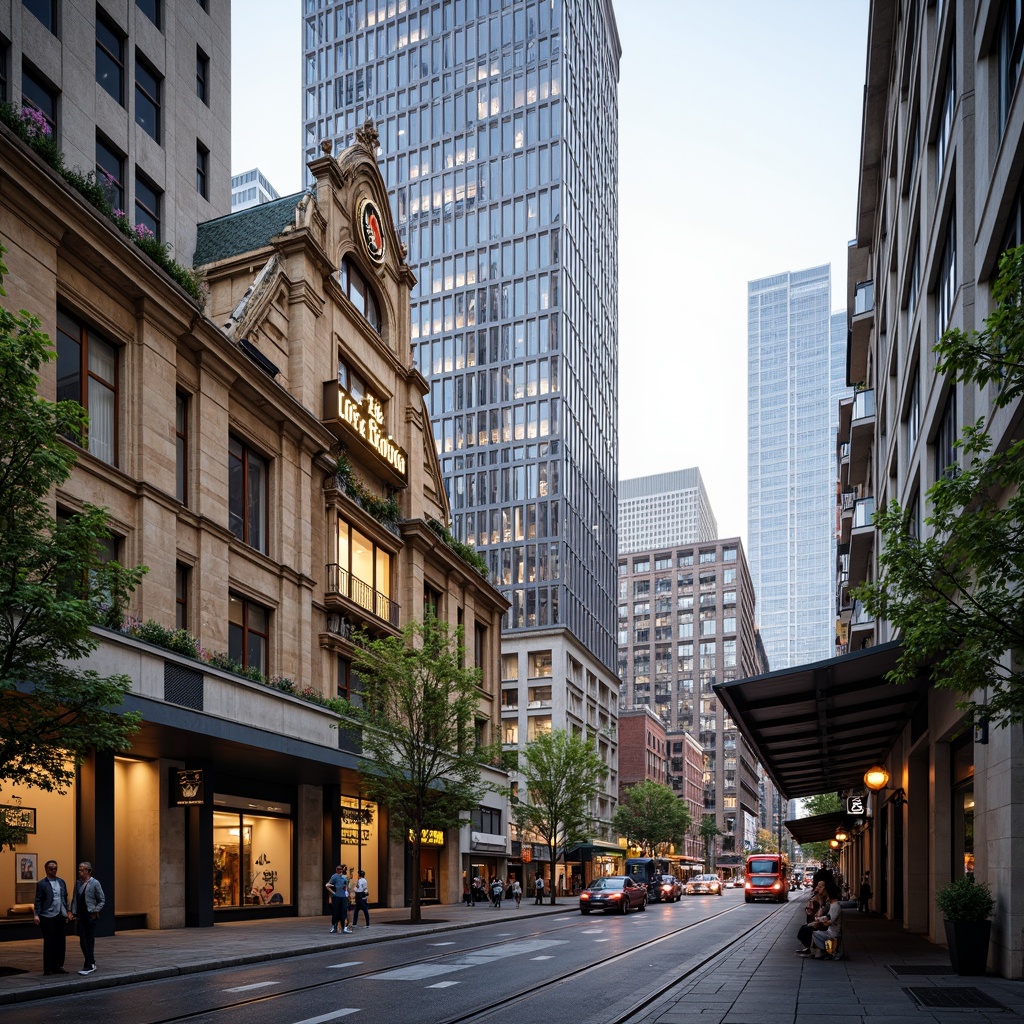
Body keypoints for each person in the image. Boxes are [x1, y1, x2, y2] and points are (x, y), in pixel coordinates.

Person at [33, 859, 71, 975]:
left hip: (60, 914)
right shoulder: (42, 884)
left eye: (55, 868)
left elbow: (65, 898)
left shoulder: (61, 882)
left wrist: (68, 911)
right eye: (51, 868)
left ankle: (58, 965)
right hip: (47, 916)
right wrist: (36, 915)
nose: (53, 870)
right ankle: (48, 967)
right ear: (46, 869)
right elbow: (38, 900)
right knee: (49, 941)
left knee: (60, 941)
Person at [73, 861, 105, 975]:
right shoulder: (78, 884)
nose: (79, 871)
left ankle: (89, 965)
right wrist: (73, 912)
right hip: (81, 916)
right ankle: (91, 962)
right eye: (79, 869)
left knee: (89, 940)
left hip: (90, 915)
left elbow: (102, 899)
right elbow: (75, 899)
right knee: (82, 941)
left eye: (82, 870)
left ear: (88, 871)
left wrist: (96, 910)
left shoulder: (95, 883)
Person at [809, 880, 843, 959]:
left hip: (833, 933)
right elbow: (828, 916)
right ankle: (819, 952)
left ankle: (825, 951)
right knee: (814, 931)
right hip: (831, 930)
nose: (826, 897)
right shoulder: (833, 905)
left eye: (827, 895)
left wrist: (819, 922)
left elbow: (830, 921)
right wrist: (819, 919)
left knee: (814, 933)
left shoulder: (835, 906)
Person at [796, 880, 828, 954]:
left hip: (822, 922)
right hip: (815, 920)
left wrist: (819, 901)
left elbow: (821, 913)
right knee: (803, 928)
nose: (818, 888)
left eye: (821, 887)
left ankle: (809, 947)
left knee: (806, 929)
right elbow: (810, 912)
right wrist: (811, 903)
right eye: (817, 886)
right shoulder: (815, 897)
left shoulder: (825, 899)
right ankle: (808, 947)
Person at [325, 864, 352, 934]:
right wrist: (333, 893)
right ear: (337, 870)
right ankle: (334, 927)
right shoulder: (334, 876)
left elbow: (346, 886)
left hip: (343, 897)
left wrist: (348, 894)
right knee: (335, 912)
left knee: (343, 912)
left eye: (341, 870)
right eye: (339, 870)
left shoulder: (344, 877)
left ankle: (343, 928)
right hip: (336, 897)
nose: (340, 871)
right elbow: (327, 885)